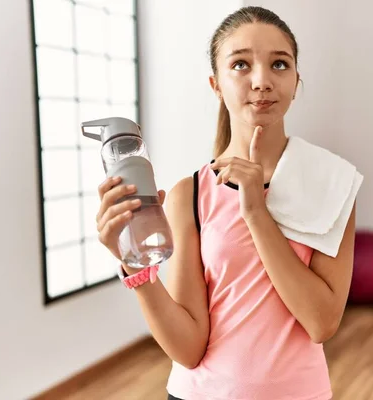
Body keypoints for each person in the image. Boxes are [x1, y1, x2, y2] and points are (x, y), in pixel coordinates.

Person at [96, 6, 358, 400]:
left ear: (296, 80)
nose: (261, 80)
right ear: (216, 84)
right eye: (240, 64)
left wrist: (256, 213)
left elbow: (321, 322)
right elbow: (188, 349)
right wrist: (135, 263)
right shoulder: (191, 194)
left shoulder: (333, 182)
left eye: (279, 64)